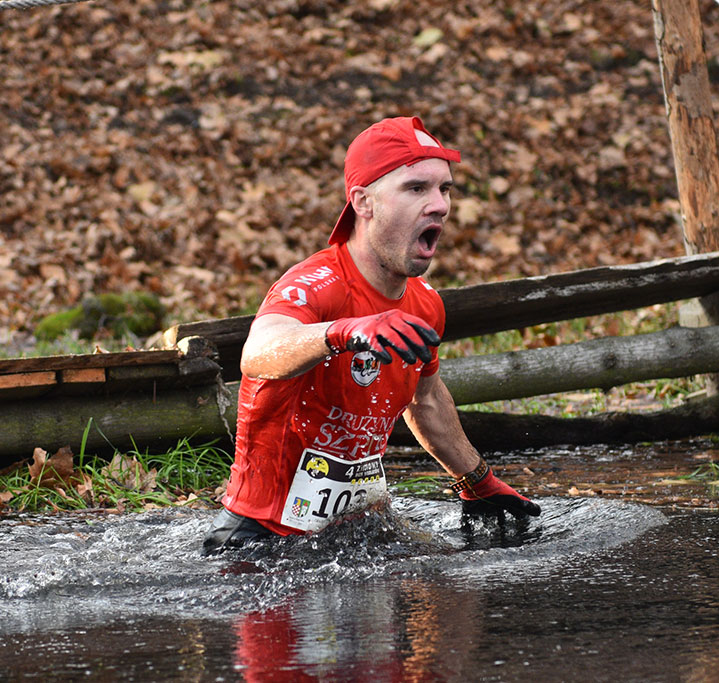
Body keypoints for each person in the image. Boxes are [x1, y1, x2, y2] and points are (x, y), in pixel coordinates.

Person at [203, 116, 540, 554]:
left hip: (360, 535)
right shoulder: (315, 285)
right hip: (262, 543)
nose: (439, 205)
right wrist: (344, 331)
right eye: (416, 188)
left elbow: (427, 400)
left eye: (445, 189)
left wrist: (478, 479)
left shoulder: (425, 303)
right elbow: (260, 351)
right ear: (363, 202)